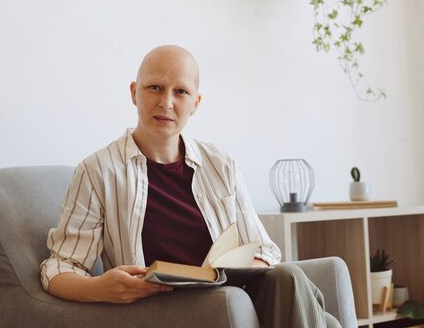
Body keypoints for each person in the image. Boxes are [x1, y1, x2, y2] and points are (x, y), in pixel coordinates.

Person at [40, 44, 340, 328]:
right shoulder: (97, 171)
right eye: (154, 87)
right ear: (134, 92)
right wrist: (100, 287)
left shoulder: (220, 163)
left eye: (180, 92)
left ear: (195, 103)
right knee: (313, 308)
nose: (166, 102)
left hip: (230, 292)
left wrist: (251, 263)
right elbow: (60, 267)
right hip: (164, 306)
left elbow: (262, 247)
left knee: (290, 281)